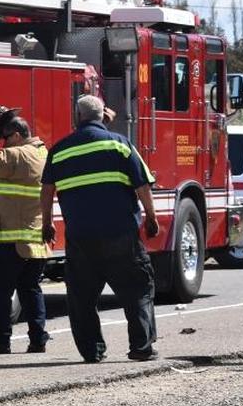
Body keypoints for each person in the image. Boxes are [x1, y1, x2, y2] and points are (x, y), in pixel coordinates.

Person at [40, 95, 160, 363]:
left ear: (77, 116)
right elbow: (143, 186)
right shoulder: (120, 145)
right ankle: (141, 347)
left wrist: (47, 223)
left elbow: (47, 191)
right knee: (138, 290)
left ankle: (92, 351)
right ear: (102, 116)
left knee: (81, 297)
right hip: (121, 234)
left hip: (81, 237)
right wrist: (151, 218)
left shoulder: (59, 150)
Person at [0, 108, 51, 355]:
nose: (2, 143)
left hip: (11, 239)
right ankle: (38, 339)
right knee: (31, 289)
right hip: (33, 238)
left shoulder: (17, 155)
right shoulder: (41, 152)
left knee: (1, 292)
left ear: (15, 135)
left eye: (5, 138)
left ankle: (0, 340)